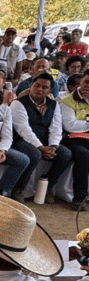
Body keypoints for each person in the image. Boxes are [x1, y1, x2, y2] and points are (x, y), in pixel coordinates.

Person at [10, 72, 72, 204]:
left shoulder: (53, 104)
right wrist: (41, 147)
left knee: (65, 154)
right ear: (31, 86)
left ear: (49, 90)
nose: (40, 89)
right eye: (37, 85)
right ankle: (18, 189)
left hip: (45, 141)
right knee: (35, 153)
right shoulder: (18, 103)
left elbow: (56, 128)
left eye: (44, 87)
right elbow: (23, 129)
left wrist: (53, 146)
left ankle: (47, 187)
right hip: (21, 140)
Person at [58, 69, 89, 210]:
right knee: (83, 155)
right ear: (80, 82)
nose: (88, 86)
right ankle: (79, 198)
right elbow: (71, 126)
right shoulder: (68, 100)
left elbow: (78, 124)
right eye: (86, 82)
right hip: (73, 140)